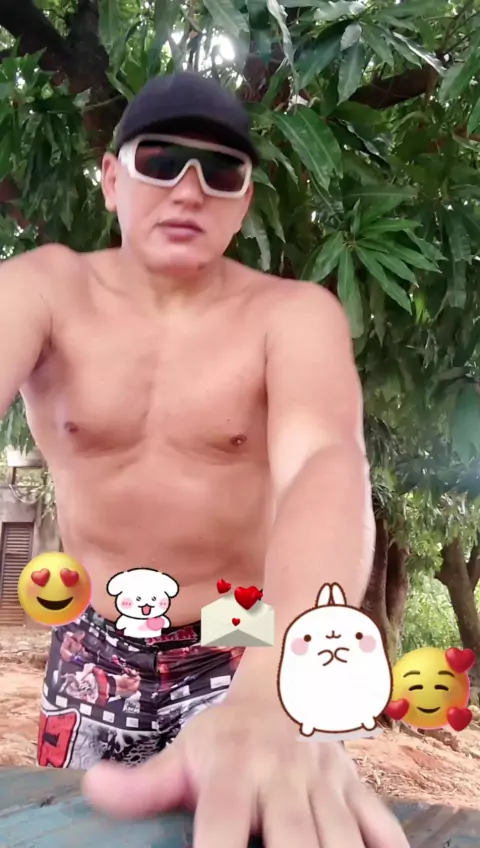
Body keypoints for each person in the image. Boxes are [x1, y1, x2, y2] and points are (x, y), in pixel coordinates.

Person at [0, 70, 408, 846]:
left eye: (221, 172)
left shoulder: (293, 316)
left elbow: (325, 463)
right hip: (95, 641)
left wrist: (277, 685)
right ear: (112, 179)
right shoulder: (43, 290)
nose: (189, 190)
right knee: (79, 830)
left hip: (244, 637)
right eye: (161, 162)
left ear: (243, 202)